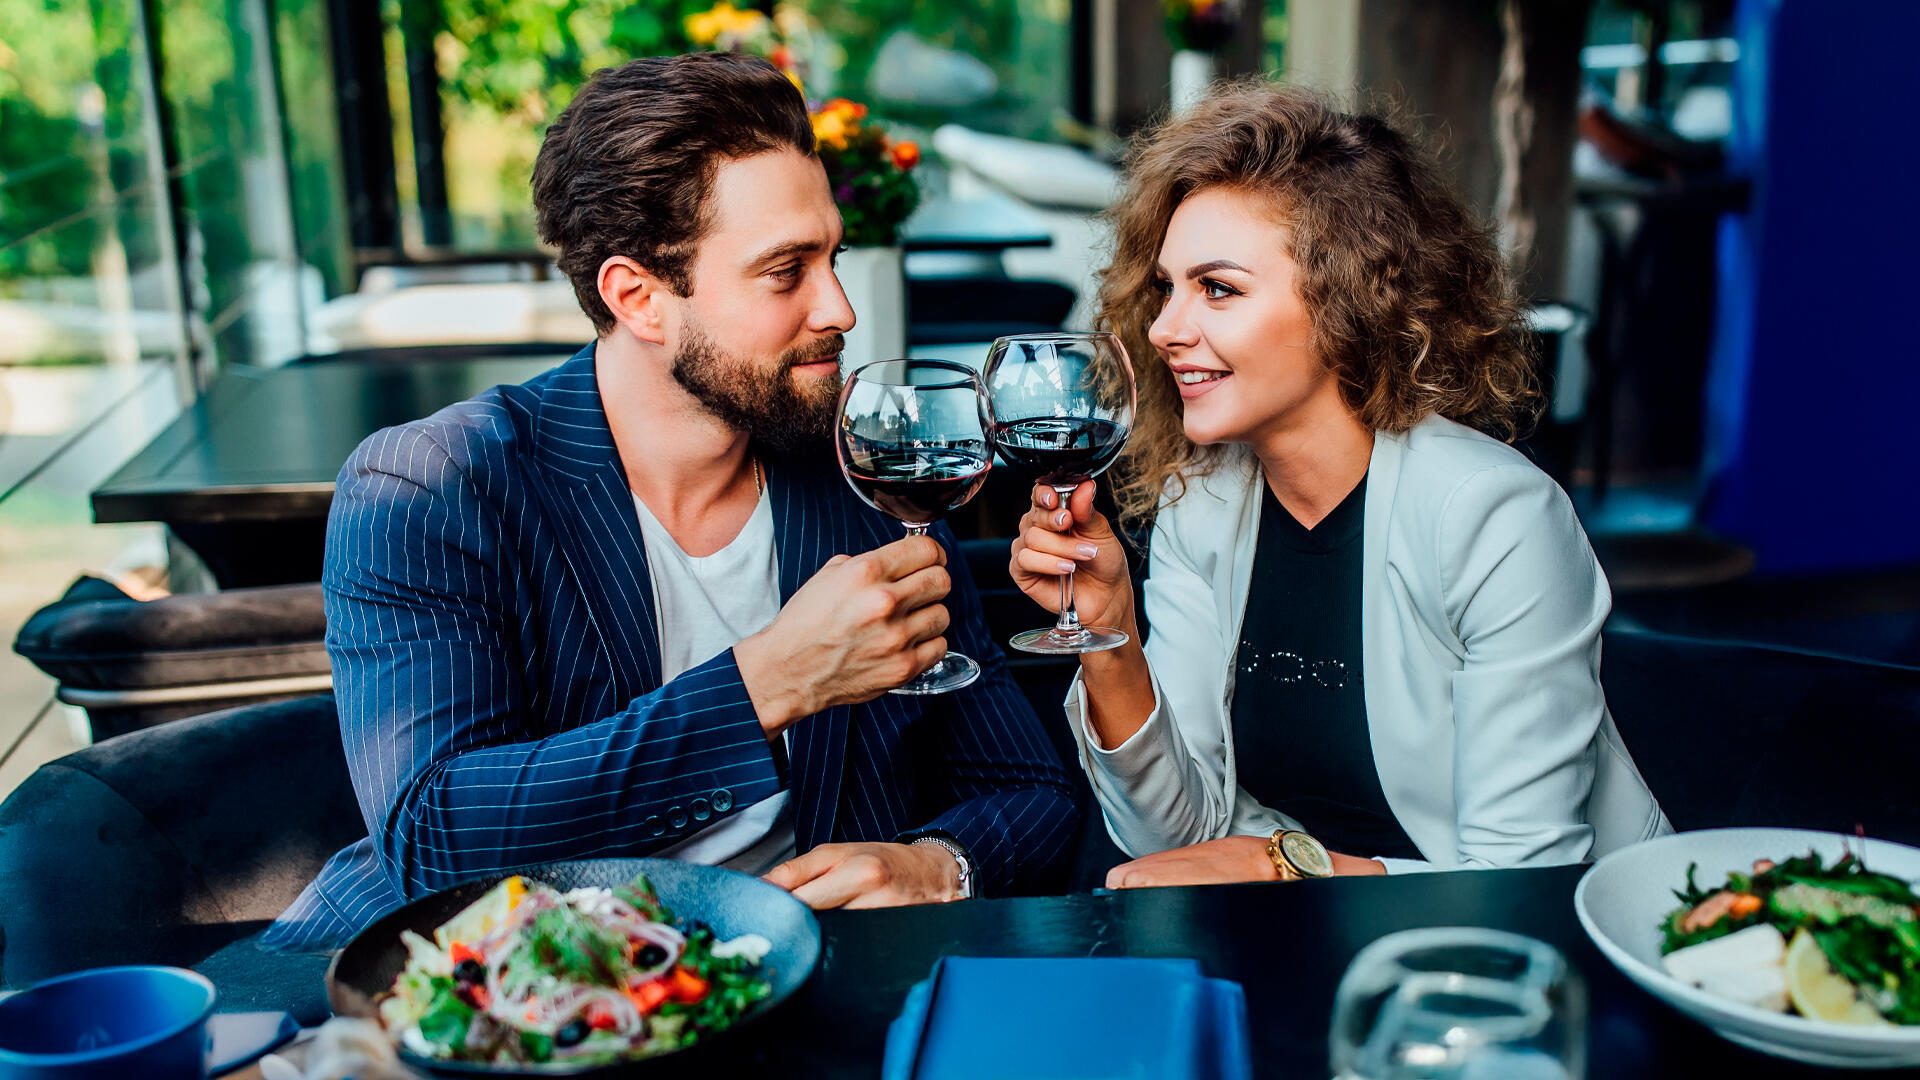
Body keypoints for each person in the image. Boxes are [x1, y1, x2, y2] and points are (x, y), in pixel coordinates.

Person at [266, 53, 1076, 951]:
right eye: (785, 271)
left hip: (784, 983)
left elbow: (1030, 789)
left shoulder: (871, 471)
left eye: (832, 258)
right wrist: (768, 683)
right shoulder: (432, 487)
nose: (840, 307)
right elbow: (436, 837)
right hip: (494, 995)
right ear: (638, 297)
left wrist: (937, 864)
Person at [1009, 83, 1669, 887]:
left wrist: (1283, 869)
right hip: (1291, 938)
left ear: (1346, 299)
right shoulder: (1205, 505)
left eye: (1216, 288)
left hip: (1510, 957)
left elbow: (1520, 884)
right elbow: (1167, 835)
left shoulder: (1493, 517)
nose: (1162, 328)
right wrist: (1111, 637)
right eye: (1167, 288)